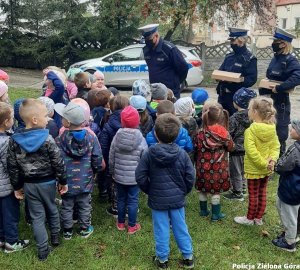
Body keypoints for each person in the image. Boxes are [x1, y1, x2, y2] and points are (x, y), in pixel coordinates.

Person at [7, 99, 68, 261]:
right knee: (52, 209)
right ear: (35, 120)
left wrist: (17, 186)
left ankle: (42, 250)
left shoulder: (14, 140)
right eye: (45, 116)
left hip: (29, 185)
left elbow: (12, 166)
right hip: (48, 184)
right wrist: (63, 181)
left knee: (37, 217)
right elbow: (58, 162)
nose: (47, 119)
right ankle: (55, 237)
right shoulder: (47, 139)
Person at [136, 113, 195, 269]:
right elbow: (190, 176)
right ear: (177, 135)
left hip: (158, 200)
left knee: (161, 229)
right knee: (180, 226)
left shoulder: (149, 153)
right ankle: (188, 256)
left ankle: (162, 260)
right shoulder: (183, 154)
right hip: (176, 199)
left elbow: (140, 176)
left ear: (155, 133)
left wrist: (150, 190)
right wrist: (183, 190)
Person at [55, 102, 103, 240]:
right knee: (84, 205)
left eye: (63, 117)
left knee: (67, 205)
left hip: (66, 180)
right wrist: (96, 171)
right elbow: (97, 158)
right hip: (85, 179)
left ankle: (67, 230)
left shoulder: (60, 139)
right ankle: (84, 228)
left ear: (68, 123)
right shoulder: (91, 138)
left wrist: (58, 177)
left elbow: (56, 160)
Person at [234, 97, 280, 226]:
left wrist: (265, 163)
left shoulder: (250, 131)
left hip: (254, 169)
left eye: (249, 109)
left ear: (254, 112)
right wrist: (272, 161)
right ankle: (258, 218)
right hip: (267, 168)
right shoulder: (272, 128)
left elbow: (251, 152)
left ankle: (249, 218)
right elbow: (276, 147)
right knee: (262, 193)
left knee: (253, 195)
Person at [259, 28, 300, 156]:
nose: (273, 44)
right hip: (268, 101)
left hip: (280, 102)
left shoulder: (290, 60)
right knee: (267, 130)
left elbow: (297, 76)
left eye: (275, 41)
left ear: (283, 44)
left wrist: (279, 87)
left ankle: (280, 161)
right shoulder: (275, 58)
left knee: (279, 133)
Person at [109, 106, 147, 234]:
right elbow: (144, 158)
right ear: (137, 121)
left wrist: (112, 171)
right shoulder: (141, 138)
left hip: (119, 176)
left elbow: (111, 155)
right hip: (134, 177)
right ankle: (131, 226)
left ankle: (120, 223)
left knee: (121, 199)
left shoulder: (117, 136)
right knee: (132, 200)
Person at [194, 101, 234, 221]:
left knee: (202, 189)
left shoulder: (200, 133)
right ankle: (216, 214)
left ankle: (203, 210)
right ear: (221, 118)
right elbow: (231, 147)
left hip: (202, 167)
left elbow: (195, 147)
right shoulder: (224, 133)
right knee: (215, 191)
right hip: (219, 168)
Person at [0, 102, 29, 253]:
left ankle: (1, 239)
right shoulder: (6, 142)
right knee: (10, 214)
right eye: (11, 117)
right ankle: (11, 242)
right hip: (6, 187)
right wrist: (18, 186)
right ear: (6, 122)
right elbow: (10, 167)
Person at [138, 24, 189, 99]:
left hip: (171, 91)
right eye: (145, 40)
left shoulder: (169, 49)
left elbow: (183, 67)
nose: (147, 41)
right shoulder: (146, 50)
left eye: (149, 39)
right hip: (155, 91)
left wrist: (176, 82)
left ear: (156, 35)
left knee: (170, 110)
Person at [271, 120, 300, 252]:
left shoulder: (295, 149)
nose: (290, 130)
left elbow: (283, 166)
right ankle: (293, 234)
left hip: (291, 189)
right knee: (295, 214)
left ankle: (289, 242)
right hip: (296, 189)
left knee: (288, 214)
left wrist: (275, 165)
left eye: (293, 128)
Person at [223, 87, 257, 201]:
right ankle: (243, 188)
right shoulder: (253, 117)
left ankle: (237, 193)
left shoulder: (234, 118)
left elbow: (229, 133)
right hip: (248, 148)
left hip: (236, 150)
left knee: (235, 172)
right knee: (244, 171)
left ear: (236, 102)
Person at [99, 96, 129, 215]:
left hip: (114, 160)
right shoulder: (132, 121)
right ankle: (130, 206)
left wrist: (104, 159)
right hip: (131, 160)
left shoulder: (108, 124)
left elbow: (104, 145)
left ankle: (115, 205)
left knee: (114, 183)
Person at [216, 27, 257, 116]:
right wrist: (218, 77)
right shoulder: (229, 56)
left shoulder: (250, 59)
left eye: (233, 40)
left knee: (234, 124)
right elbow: (221, 71)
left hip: (237, 98)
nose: (231, 43)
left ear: (241, 41)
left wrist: (237, 80)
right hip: (223, 97)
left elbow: (251, 79)